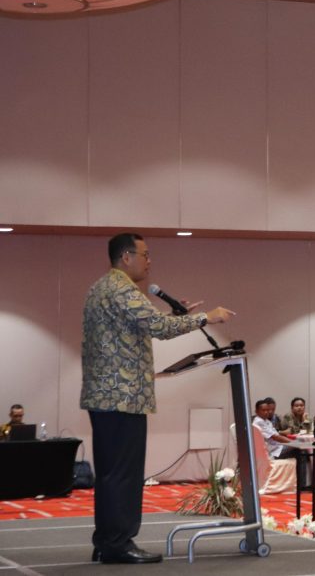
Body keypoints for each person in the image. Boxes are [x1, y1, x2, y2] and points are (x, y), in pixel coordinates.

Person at [81, 233, 234, 564]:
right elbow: (158, 327)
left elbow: (145, 325)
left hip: (104, 398)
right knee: (124, 474)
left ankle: (106, 541)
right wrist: (206, 317)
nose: (149, 261)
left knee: (110, 474)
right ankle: (119, 543)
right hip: (123, 397)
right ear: (126, 257)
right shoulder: (122, 289)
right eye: (145, 254)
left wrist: (179, 318)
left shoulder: (99, 288)